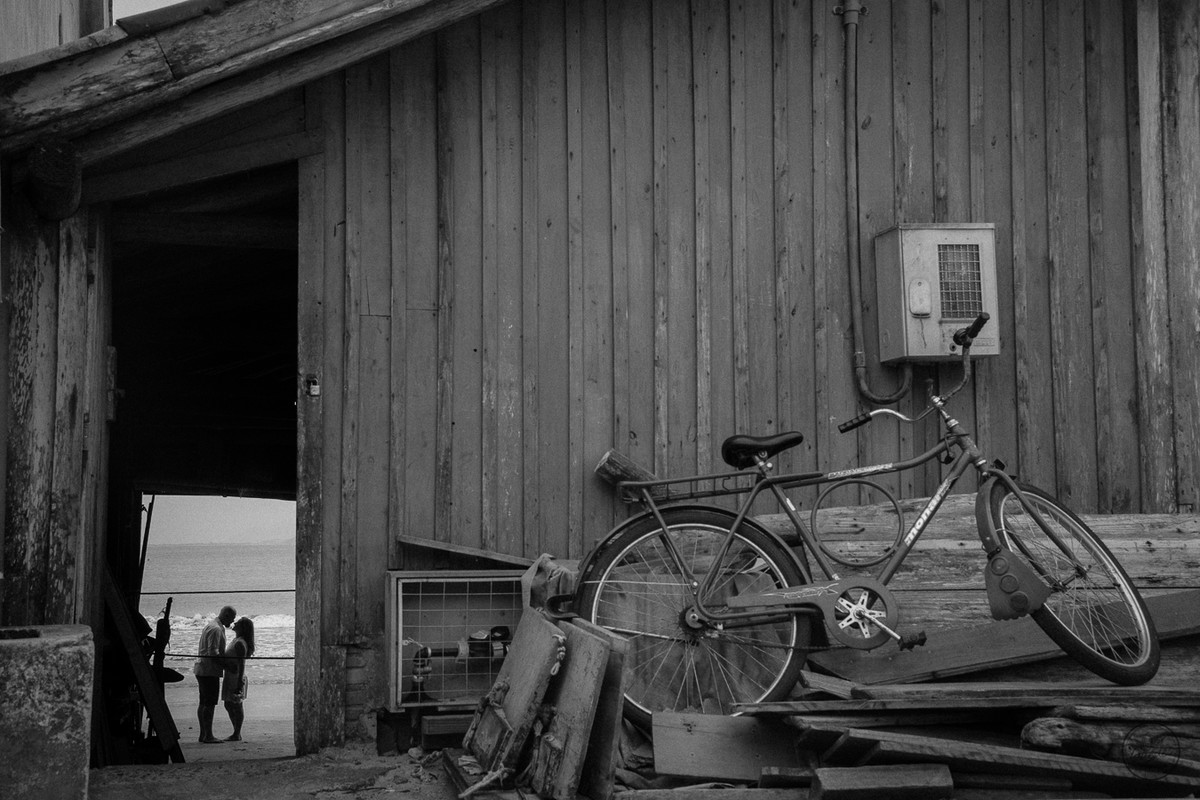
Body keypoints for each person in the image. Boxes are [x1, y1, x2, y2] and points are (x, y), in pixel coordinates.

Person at [194, 605, 235, 743]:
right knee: (209, 704)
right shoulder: (216, 629)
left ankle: (203, 734)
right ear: (226, 616)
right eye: (232, 618)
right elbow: (213, 653)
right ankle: (208, 735)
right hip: (209, 671)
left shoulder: (211, 625)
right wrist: (227, 666)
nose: (232, 621)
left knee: (203, 703)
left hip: (202, 669)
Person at [222, 617, 255, 742]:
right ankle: (236, 732)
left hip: (236, 677)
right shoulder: (236, 640)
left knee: (236, 704)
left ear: (242, 628)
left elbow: (242, 663)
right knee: (229, 704)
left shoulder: (240, 643)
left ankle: (237, 733)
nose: (234, 623)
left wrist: (239, 681)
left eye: (238, 623)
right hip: (231, 675)